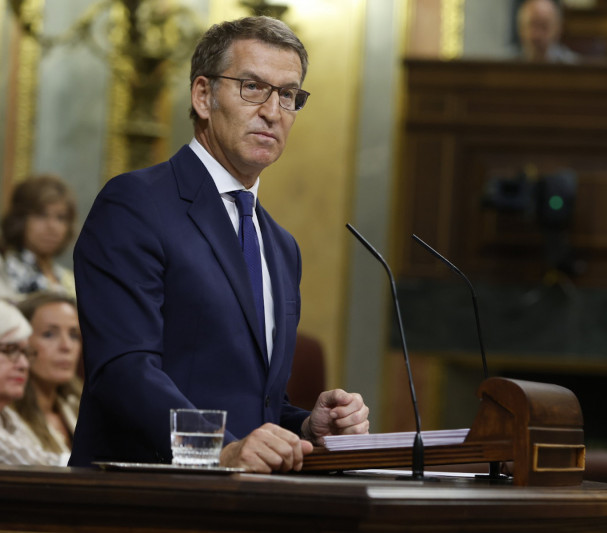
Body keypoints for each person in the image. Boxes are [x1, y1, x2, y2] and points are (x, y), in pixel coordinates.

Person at [69, 16, 369, 472]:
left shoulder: (281, 246)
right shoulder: (135, 204)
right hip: (140, 501)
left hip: (244, 504)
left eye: (288, 95)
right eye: (253, 87)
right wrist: (218, 452)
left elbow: (250, 406)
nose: (273, 111)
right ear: (203, 96)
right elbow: (124, 371)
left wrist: (306, 428)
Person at [13, 292, 82, 464]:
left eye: (74, 335)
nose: (66, 346)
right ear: (21, 343)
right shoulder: (7, 417)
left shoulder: (80, 405)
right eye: (49, 334)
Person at [0, 299, 62, 465]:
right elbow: (35, 467)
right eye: (9, 350)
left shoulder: (7, 416)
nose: (24, 364)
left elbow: (43, 459)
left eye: (25, 352)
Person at [0, 174, 77, 298]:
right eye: (41, 215)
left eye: (61, 217)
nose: (52, 226)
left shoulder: (70, 278)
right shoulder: (4, 269)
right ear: (20, 219)